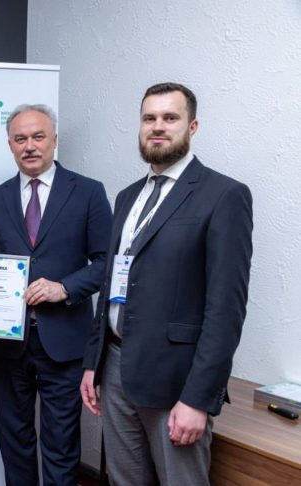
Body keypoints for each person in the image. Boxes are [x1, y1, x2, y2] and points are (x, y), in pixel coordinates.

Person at [80, 83, 253, 486]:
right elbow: (111, 283)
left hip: (176, 379)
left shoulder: (223, 195)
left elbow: (225, 310)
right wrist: (93, 363)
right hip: (116, 367)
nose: (157, 126)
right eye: (149, 118)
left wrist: (198, 398)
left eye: (170, 118)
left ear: (192, 126)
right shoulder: (127, 197)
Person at [0, 104, 112, 486]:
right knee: (14, 441)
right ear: (10, 145)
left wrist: (64, 287)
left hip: (65, 342)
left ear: (55, 140)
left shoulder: (88, 192)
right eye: (20, 139)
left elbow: (107, 262)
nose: (30, 146)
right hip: (9, 342)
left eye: (38, 137)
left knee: (61, 443)